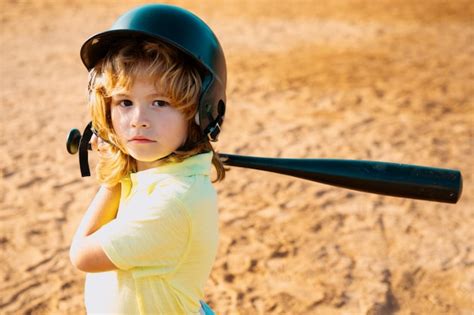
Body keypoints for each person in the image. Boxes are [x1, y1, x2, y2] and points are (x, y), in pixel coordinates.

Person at [69, 4, 227, 315]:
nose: (139, 119)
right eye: (125, 101)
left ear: (201, 111)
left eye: (160, 102)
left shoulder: (174, 202)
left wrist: (112, 176)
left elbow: (81, 255)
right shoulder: (157, 173)